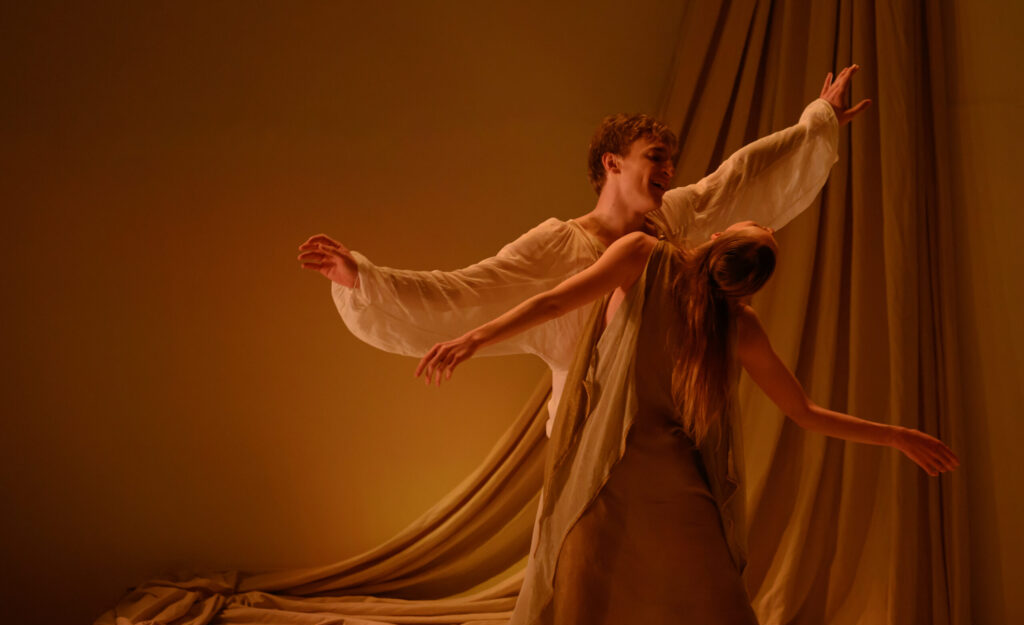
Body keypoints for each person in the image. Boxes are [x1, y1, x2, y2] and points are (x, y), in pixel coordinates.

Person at [415, 223, 958, 625]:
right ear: (748, 286)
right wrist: (896, 436)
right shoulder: (740, 325)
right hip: (679, 483)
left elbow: (554, 301)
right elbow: (805, 412)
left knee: (577, 623)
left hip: (602, 473)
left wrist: (473, 339)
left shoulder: (642, 255)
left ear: (717, 239)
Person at [297, 67, 870, 437]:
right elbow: (467, 287)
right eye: (655, 157)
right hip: (589, 423)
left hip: (663, 419)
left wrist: (816, 123)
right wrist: (364, 278)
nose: (669, 169)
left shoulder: (673, 219)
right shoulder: (559, 243)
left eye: (670, 160)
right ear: (612, 163)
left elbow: (739, 176)